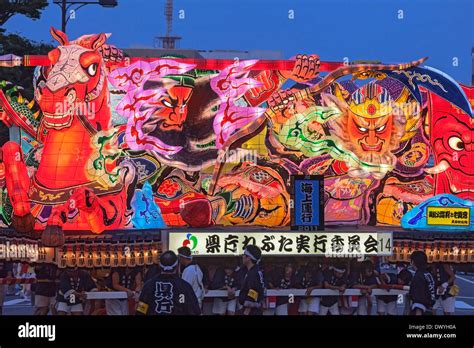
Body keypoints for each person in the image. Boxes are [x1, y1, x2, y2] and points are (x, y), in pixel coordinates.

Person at [136, 250, 201, 315]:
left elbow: (141, 310)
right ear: (177, 266)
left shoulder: (149, 285)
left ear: (159, 266)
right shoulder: (184, 286)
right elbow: (194, 310)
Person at [239, 245, 265, 315]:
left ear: (249, 258)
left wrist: (247, 311)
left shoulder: (253, 273)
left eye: (244, 254)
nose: (243, 256)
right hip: (256, 309)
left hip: (252, 311)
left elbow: (253, 291)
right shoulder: (257, 271)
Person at [408, 251, 436, 315]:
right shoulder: (428, 274)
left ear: (413, 262)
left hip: (421, 310)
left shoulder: (418, 276)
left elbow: (418, 302)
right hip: (430, 307)